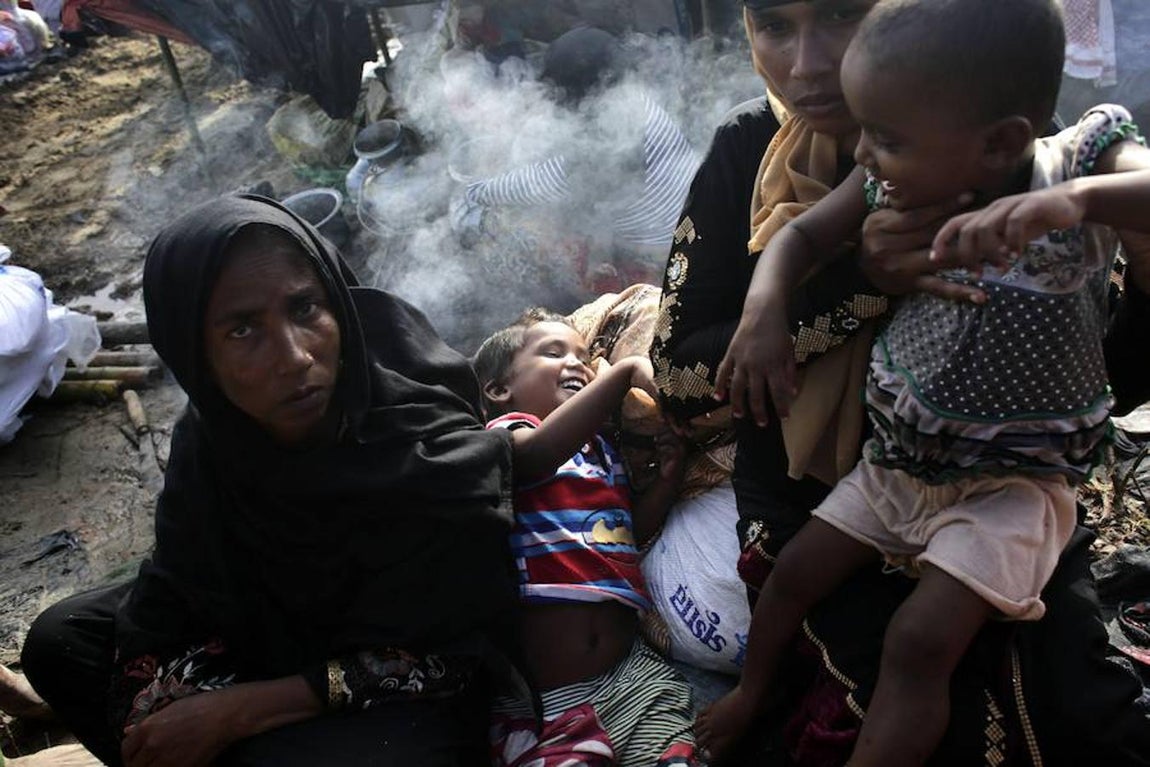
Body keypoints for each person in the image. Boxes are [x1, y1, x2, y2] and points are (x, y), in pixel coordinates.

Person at [652, 0, 1150, 764]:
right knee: (870, 688)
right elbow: (682, 382)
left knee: (1074, 713)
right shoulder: (752, 149)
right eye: (774, 24)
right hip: (814, 484)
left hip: (1013, 472)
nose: (808, 64)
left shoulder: (1026, 136)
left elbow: (1105, 370)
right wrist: (863, 281)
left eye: (842, 15)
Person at [20, 194, 524, 767]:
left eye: (306, 308)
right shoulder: (213, 441)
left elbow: (456, 650)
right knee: (63, 641)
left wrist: (240, 710)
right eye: (241, 331)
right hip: (265, 633)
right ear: (194, 353)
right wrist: (155, 707)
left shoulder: (412, 425)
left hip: (409, 686)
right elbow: (178, 588)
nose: (294, 357)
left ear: (337, 300)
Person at [473, 309, 699, 766]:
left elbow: (623, 534)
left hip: (629, 675)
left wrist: (667, 481)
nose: (576, 363)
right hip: (545, 701)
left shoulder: (604, 452)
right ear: (499, 389)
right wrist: (624, 376)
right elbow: (537, 457)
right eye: (553, 353)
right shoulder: (507, 436)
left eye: (584, 356)